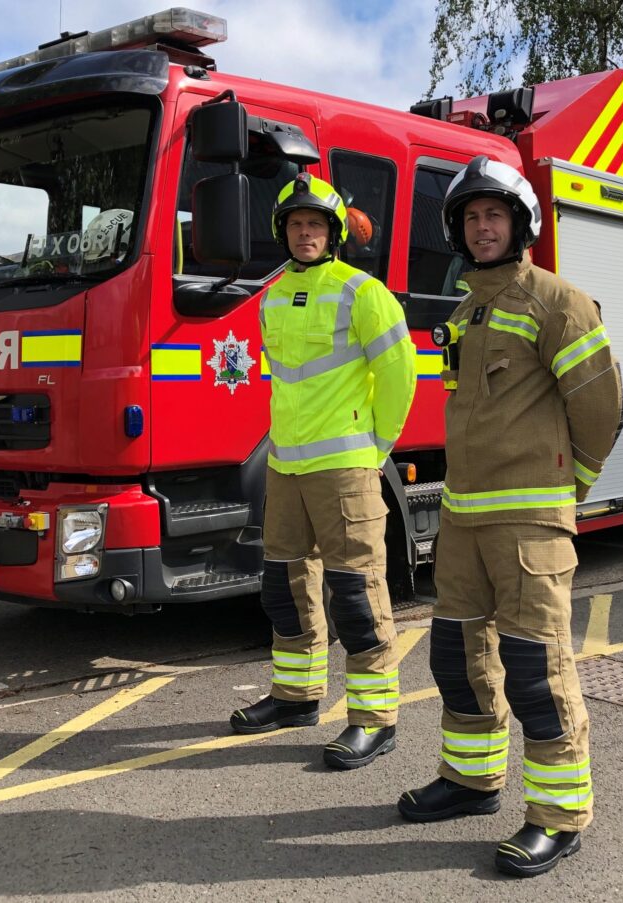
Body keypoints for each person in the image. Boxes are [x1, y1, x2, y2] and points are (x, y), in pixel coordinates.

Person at [397, 156, 623, 877]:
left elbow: (602, 409)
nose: (482, 226)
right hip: (464, 518)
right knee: (456, 657)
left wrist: (567, 487)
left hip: (528, 522)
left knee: (535, 669)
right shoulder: (464, 312)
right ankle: (472, 780)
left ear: (521, 223)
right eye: (470, 216)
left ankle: (558, 816)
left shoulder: (558, 302)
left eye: (494, 214)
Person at [229, 173, 417, 771]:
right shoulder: (273, 296)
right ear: (282, 233)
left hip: (344, 468)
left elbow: (400, 374)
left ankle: (374, 720)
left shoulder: (363, 292)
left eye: (314, 225)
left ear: (333, 234)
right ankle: (296, 697)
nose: (304, 233)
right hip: (285, 465)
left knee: (357, 595)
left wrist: (375, 448)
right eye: (295, 224)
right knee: (285, 588)